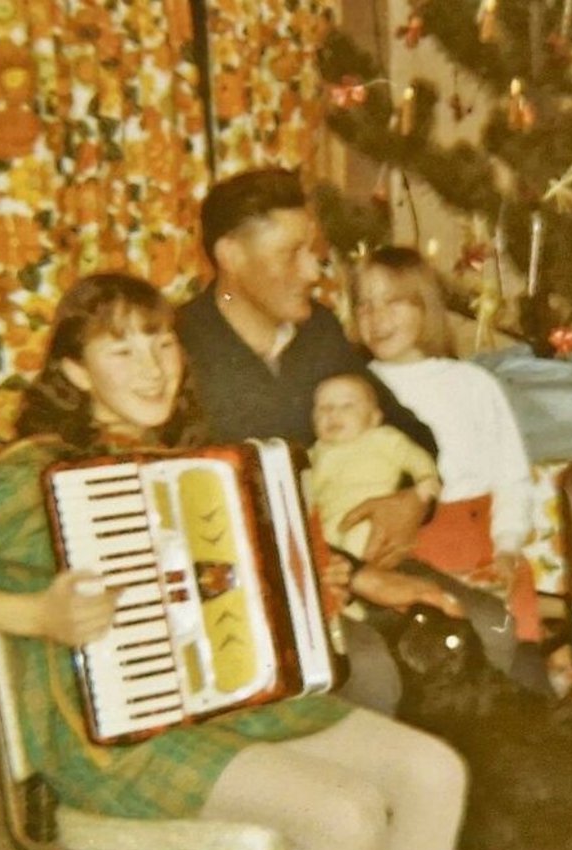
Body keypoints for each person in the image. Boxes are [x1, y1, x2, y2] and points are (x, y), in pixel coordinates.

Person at [0, 274, 467, 850]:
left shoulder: (194, 466)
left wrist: (306, 594)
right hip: (109, 745)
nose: (153, 368)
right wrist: (35, 616)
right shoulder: (28, 476)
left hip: (232, 710)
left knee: (435, 773)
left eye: (162, 345)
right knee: (346, 815)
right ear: (77, 372)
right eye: (122, 350)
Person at [176, 167, 445, 713]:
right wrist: (361, 574)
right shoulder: (180, 351)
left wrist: (414, 499)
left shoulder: (318, 332)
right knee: (368, 669)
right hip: (260, 586)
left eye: (313, 251)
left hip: (355, 562)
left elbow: (410, 431)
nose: (314, 269)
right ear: (231, 256)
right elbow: (225, 516)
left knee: (487, 625)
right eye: (292, 254)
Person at [353, 245, 551, 693]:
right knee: (441, 675)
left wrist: (506, 543)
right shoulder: (357, 386)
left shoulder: (472, 383)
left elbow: (512, 476)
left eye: (392, 301)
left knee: (519, 674)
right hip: (402, 549)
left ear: (426, 307)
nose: (375, 316)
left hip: (477, 541)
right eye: (364, 303)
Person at [307, 373, 441, 561]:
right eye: (324, 408)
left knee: (359, 540)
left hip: (370, 519)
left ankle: (357, 573)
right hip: (328, 525)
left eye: (347, 406)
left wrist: (426, 481)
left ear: (374, 418)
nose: (333, 414)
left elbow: (415, 457)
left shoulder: (383, 439)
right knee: (319, 552)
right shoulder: (315, 452)